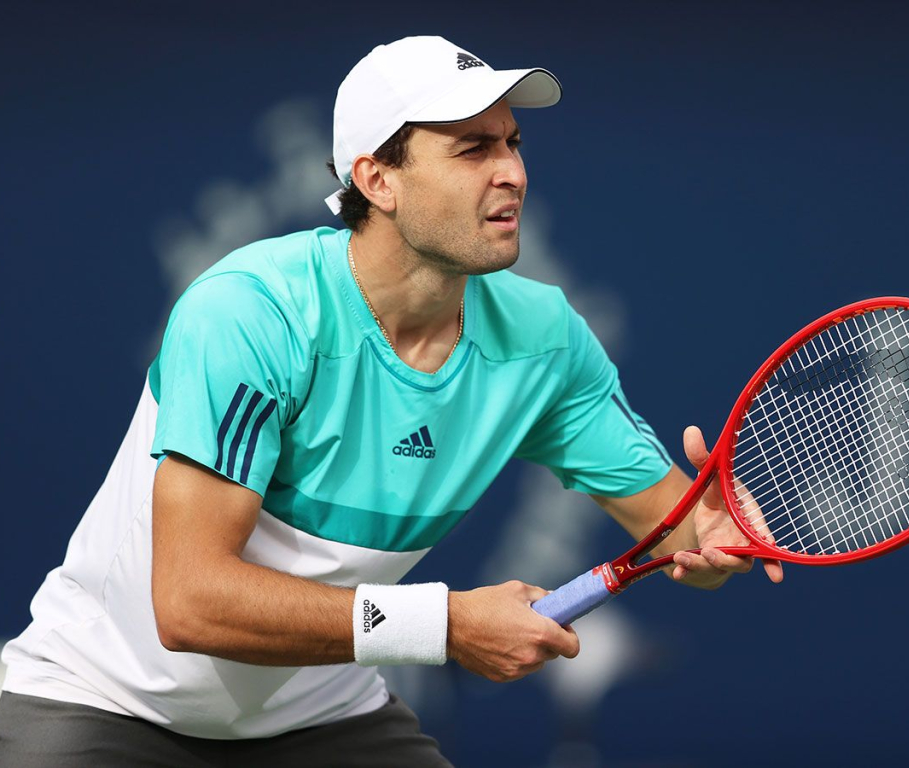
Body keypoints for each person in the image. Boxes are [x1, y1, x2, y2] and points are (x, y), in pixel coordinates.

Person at [0, 35, 783, 766]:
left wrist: (715, 538)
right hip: (102, 701)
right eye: (472, 149)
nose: (512, 172)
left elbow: (679, 534)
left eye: (512, 143)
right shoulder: (252, 312)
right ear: (377, 180)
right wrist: (444, 625)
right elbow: (189, 602)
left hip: (321, 716)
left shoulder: (544, 339)